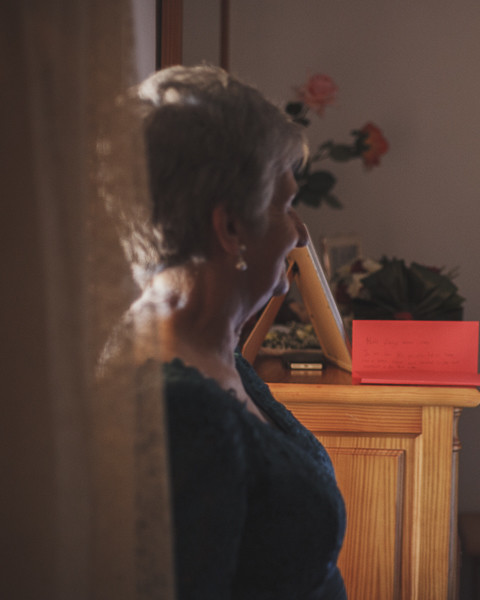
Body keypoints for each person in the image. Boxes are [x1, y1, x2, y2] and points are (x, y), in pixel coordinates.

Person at [113, 65, 346, 599]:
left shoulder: (218, 351)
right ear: (230, 227)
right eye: (286, 204)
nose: (299, 231)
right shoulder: (179, 411)